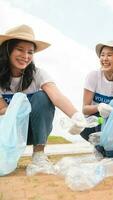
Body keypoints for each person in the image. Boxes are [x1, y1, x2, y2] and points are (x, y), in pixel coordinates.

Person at [0, 24, 86, 168]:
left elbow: (57, 97)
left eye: (30, 52)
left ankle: (39, 154)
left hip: (32, 130)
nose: (25, 56)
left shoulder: (37, 74)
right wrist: (18, 107)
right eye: (20, 50)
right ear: (7, 50)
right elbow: (2, 110)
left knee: (43, 96)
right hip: (9, 133)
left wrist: (76, 116)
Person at [80, 41, 113, 158]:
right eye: (102, 55)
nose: (104, 58)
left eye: (109, 55)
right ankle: (98, 147)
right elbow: (85, 109)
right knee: (101, 118)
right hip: (93, 123)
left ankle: (109, 148)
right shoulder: (93, 76)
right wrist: (99, 107)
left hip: (112, 124)